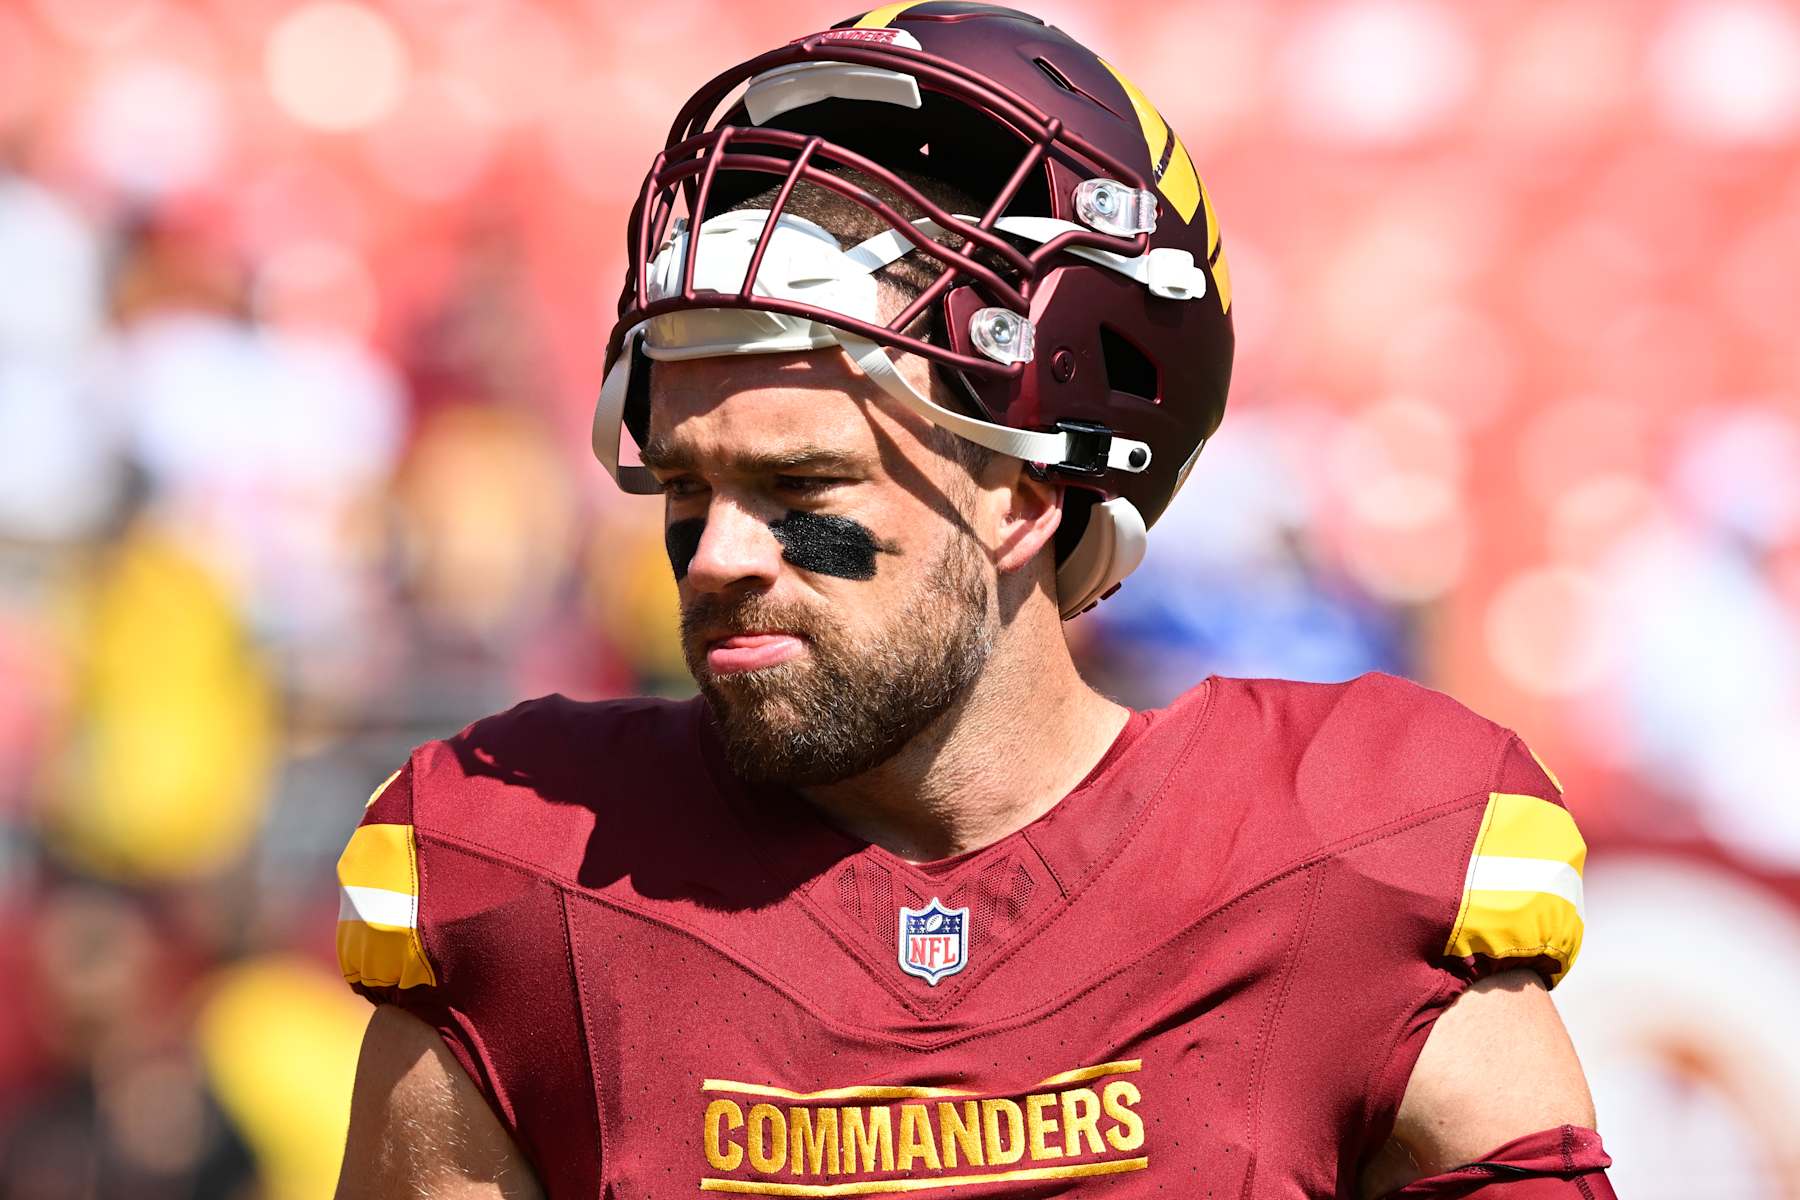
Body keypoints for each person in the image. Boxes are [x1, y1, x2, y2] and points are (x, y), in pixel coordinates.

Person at [332, 5, 1613, 1197]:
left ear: (1022, 498)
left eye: (799, 485)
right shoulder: (527, 880)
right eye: (684, 484)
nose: (716, 555)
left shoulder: (1345, 865)